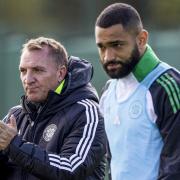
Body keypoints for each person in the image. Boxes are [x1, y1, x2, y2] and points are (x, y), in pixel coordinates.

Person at [0, 37, 107, 180]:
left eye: (38, 70)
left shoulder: (86, 113)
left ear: (60, 73)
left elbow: (71, 169)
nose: (28, 79)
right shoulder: (16, 115)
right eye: (23, 71)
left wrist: (14, 145)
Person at [95, 3, 180, 180]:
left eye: (117, 45)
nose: (108, 56)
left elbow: (176, 166)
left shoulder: (168, 86)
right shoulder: (108, 92)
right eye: (102, 47)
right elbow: (111, 163)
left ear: (141, 39)